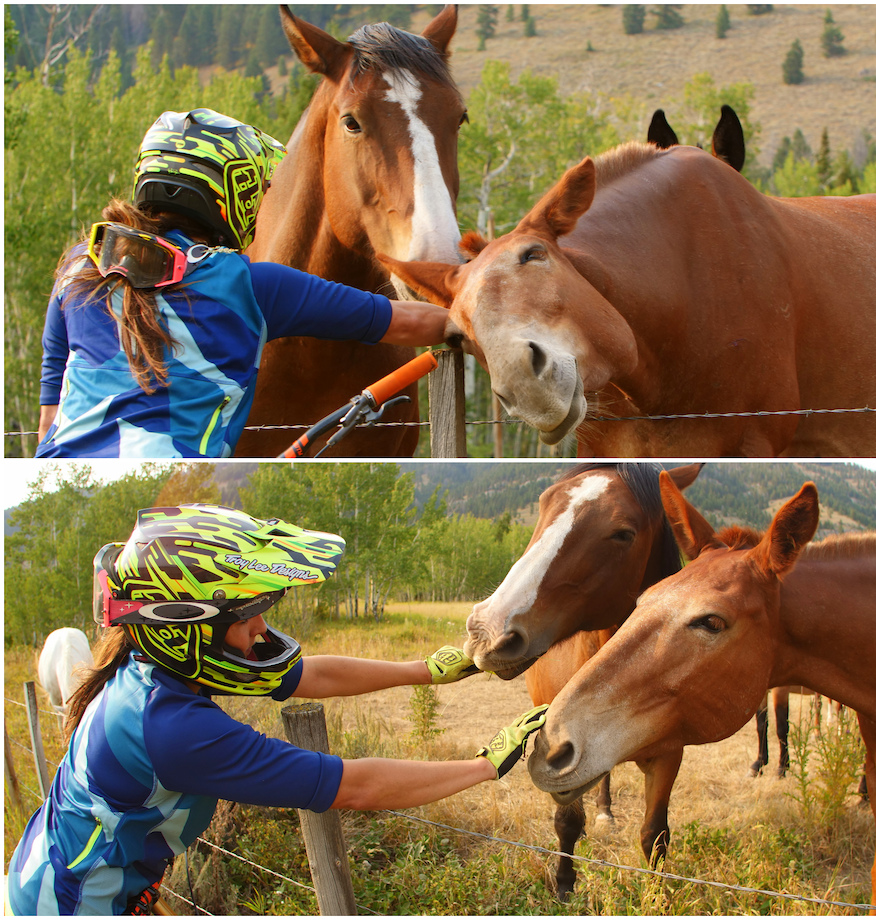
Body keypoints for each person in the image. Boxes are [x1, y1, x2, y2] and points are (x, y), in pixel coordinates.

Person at [6, 504, 546, 916]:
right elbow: (354, 786)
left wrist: (425, 669)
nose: (261, 631)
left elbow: (308, 673)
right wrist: (483, 766)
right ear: (185, 625)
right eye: (247, 618)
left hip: (49, 877)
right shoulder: (174, 729)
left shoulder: (152, 669)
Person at [36, 108, 451, 458]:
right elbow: (411, 323)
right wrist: (474, 306)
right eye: (258, 189)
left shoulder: (79, 264)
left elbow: (49, 418)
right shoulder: (250, 286)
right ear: (229, 190)